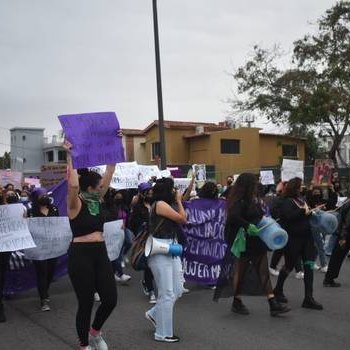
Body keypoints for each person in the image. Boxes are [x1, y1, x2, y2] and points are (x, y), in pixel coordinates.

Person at [64, 140, 118, 350]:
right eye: (98, 185)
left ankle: (94, 332)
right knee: (85, 303)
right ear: (89, 187)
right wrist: (70, 156)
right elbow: (74, 185)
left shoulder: (96, 200)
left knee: (110, 299)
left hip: (100, 253)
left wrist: (115, 144)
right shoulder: (75, 202)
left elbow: (110, 172)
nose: (102, 187)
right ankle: (84, 345)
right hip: (81, 255)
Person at [215, 173, 289, 316]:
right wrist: (247, 225)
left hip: (256, 239)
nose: (257, 185)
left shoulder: (254, 199)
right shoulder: (238, 201)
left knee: (263, 271)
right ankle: (236, 301)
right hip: (243, 241)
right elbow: (233, 217)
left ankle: (273, 303)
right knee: (240, 272)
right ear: (248, 185)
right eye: (254, 183)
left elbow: (258, 215)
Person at [145, 177, 187, 343]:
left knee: (177, 289)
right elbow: (182, 219)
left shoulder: (167, 205)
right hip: (159, 248)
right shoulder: (160, 204)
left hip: (172, 246)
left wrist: (178, 202)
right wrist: (178, 200)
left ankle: (154, 314)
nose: (175, 191)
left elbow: (183, 217)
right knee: (167, 293)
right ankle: (162, 333)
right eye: (173, 189)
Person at [273, 177, 323, 310]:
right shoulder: (285, 201)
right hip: (293, 239)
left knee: (309, 266)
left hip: (306, 238)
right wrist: (302, 211)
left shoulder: (301, 199)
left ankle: (308, 298)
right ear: (295, 187)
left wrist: (312, 212)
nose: (302, 188)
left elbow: (304, 214)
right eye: (300, 186)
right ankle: (278, 289)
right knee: (288, 266)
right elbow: (288, 217)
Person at [28, 188, 59, 311]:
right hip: (38, 246)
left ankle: (45, 290)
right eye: (41, 196)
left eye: (46, 195)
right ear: (36, 198)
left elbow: (59, 225)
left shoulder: (54, 209)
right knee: (42, 271)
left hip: (52, 246)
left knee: (50, 271)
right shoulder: (31, 212)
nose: (44, 197)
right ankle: (43, 299)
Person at [128, 182, 156, 304]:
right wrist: (143, 227)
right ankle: (151, 290)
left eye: (151, 192)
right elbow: (132, 224)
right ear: (141, 194)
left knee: (156, 264)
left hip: (157, 238)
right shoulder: (137, 208)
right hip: (144, 240)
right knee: (149, 265)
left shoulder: (156, 205)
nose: (150, 194)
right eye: (147, 192)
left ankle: (147, 282)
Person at [103, 189, 132, 284]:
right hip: (103, 232)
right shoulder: (98, 206)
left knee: (116, 251)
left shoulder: (113, 205)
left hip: (116, 230)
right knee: (110, 254)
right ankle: (116, 273)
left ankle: (118, 273)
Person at [323, 200, 350, 287]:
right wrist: (343, 237)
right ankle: (329, 279)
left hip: (343, 233)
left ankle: (329, 278)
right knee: (337, 257)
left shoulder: (347, 202)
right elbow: (347, 222)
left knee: (337, 256)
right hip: (346, 234)